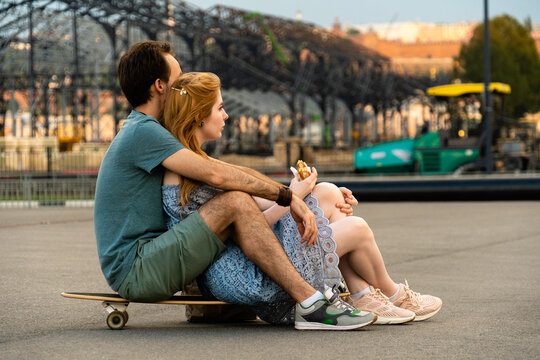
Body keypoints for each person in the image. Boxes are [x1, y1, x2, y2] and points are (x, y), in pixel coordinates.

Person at [94, 40, 376, 331]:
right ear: (160, 86)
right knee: (236, 202)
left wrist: (290, 194)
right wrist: (286, 196)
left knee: (244, 199)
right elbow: (217, 176)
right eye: (178, 81)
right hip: (137, 268)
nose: (185, 87)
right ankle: (311, 303)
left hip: (151, 258)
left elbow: (225, 171)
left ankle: (359, 294)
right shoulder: (145, 131)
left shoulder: (147, 129)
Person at [161, 71, 442, 325]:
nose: (226, 116)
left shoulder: (197, 162)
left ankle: (362, 294)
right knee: (358, 228)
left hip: (244, 259)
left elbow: (254, 210)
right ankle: (391, 293)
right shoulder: (191, 170)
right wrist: (294, 196)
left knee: (329, 192)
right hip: (243, 273)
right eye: (220, 108)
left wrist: (299, 192)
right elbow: (247, 231)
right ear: (198, 114)